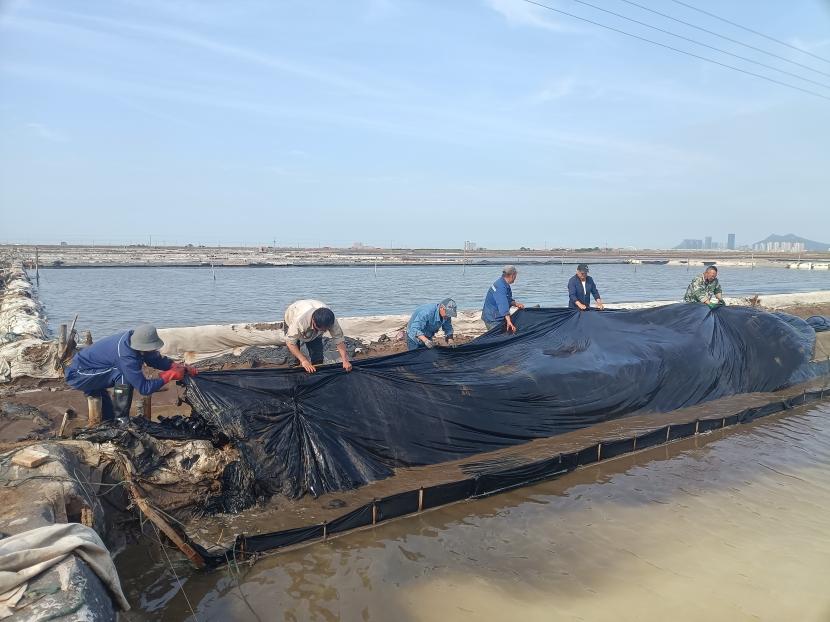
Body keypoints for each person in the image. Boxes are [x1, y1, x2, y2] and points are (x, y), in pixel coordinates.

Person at [65, 324, 195, 422]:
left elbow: (153, 358)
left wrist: (175, 366)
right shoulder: (126, 356)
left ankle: (111, 421)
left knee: (108, 417)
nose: (152, 350)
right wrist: (170, 375)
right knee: (122, 375)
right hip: (78, 374)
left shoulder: (134, 339)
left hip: (97, 369)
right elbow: (144, 388)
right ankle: (121, 420)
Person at [283, 299, 352, 373]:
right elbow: (290, 343)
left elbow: (339, 340)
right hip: (292, 313)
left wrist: (345, 360)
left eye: (326, 330)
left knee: (317, 356)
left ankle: (316, 370)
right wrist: (304, 360)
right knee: (294, 359)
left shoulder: (331, 320)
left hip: (314, 314)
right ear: (314, 322)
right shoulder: (299, 322)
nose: (324, 331)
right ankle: (294, 370)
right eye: (321, 329)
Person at [482, 265, 525, 333]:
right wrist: (509, 321)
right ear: (512, 275)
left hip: (494, 315)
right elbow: (503, 304)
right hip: (493, 319)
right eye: (515, 276)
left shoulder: (503, 283)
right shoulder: (500, 287)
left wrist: (516, 304)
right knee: (497, 337)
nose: (515, 278)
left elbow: (507, 299)